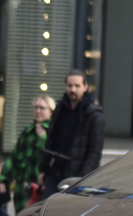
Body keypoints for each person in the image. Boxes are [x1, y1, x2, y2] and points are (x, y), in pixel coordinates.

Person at [39, 70, 105, 199]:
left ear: (85, 87)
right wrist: (44, 169)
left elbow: (94, 152)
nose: (73, 89)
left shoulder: (94, 116)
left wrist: (83, 180)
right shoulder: (60, 109)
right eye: (70, 86)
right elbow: (51, 141)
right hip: (55, 173)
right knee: (47, 211)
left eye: (77, 86)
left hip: (77, 176)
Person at [0, 95, 55, 214]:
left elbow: (53, 156)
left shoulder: (54, 132)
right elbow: (14, 158)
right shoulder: (27, 132)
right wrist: (4, 180)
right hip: (22, 189)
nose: (38, 111)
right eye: (35, 107)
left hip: (43, 190)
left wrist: (43, 138)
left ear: (51, 111)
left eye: (42, 108)